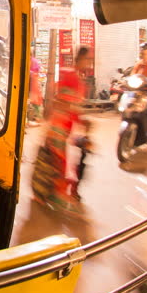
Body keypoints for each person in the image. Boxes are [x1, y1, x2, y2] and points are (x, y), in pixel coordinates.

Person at [31, 46, 90, 215]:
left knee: (59, 161)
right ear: (79, 59)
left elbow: (75, 107)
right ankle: (54, 196)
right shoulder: (70, 75)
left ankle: (50, 195)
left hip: (66, 128)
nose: (88, 63)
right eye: (87, 59)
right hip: (58, 125)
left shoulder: (81, 81)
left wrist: (82, 121)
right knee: (58, 161)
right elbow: (61, 100)